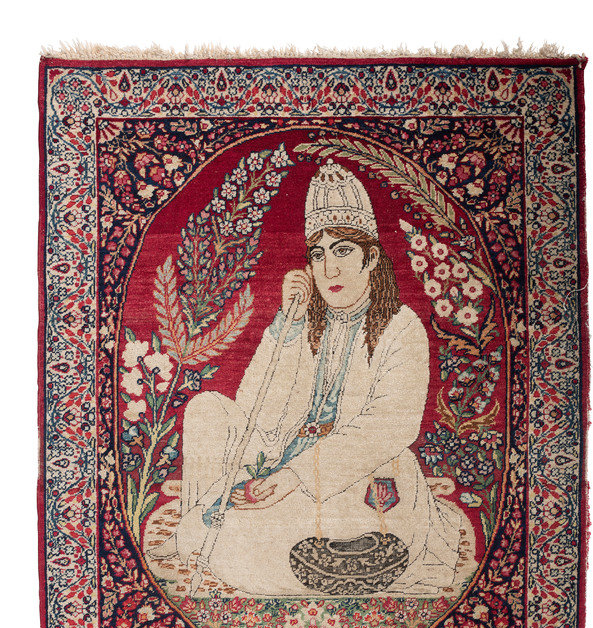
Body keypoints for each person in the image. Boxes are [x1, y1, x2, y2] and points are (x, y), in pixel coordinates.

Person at [152, 159, 469, 596]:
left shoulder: (401, 327)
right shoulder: (306, 322)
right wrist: (287, 325)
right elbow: (255, 408)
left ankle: (235, 545)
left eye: (343, 251)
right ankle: (215, 535)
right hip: (283, 452)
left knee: (257, 548)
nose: (329, 269)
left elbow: (389, 426)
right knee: (206, 409)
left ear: (371, 258)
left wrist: (295, 477)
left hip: (355, 472)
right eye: (318, 255)